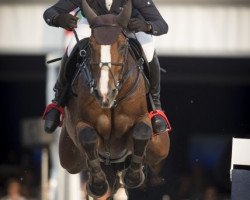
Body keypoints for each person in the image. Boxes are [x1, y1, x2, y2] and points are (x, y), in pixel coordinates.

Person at [43, 0, 170, 134]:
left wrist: (147, 26)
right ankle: (58, 102)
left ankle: (155, 106)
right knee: (72, 46)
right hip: (94, 26)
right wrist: (57, 18)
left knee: (148, 49)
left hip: (126, 25)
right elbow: (50, 12)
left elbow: (162, 25)